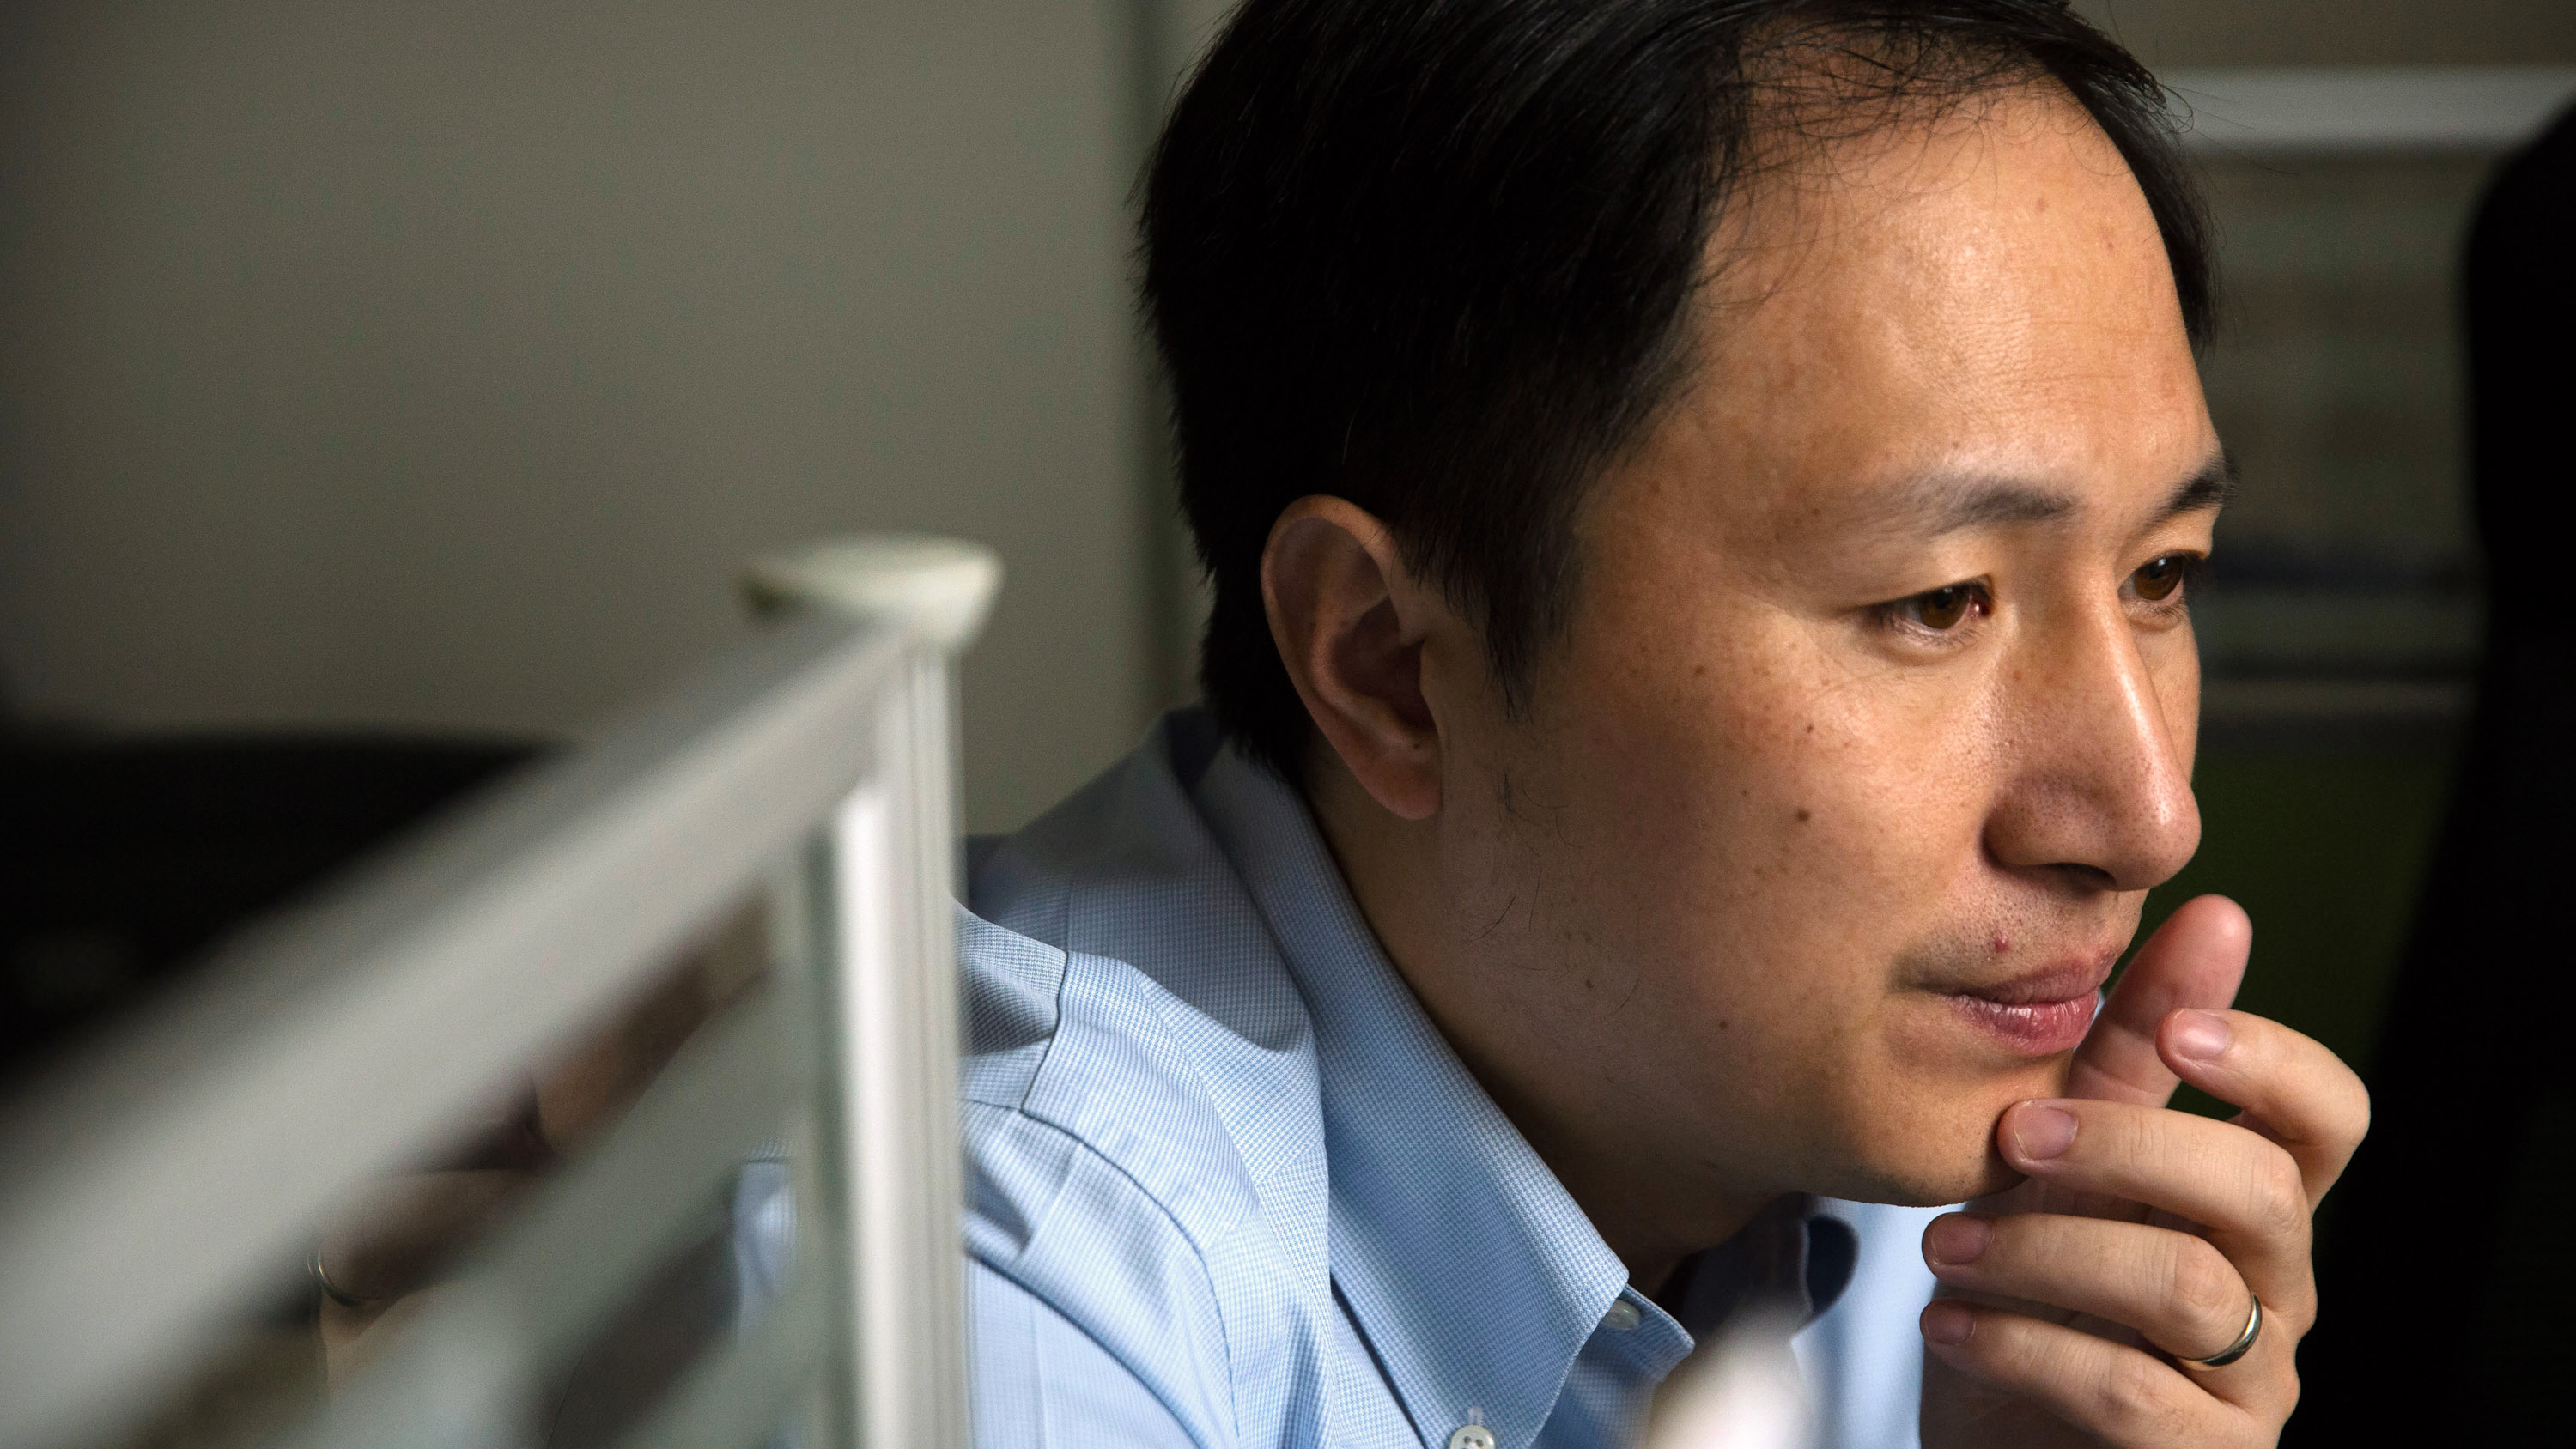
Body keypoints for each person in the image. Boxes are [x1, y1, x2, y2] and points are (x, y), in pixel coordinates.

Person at [958, 3, 2367, 1447]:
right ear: (1388, 666)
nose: (2151, 815)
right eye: (1939, 603)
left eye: (2161, 573)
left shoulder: (1888, 1126)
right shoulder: (1001, 1308)